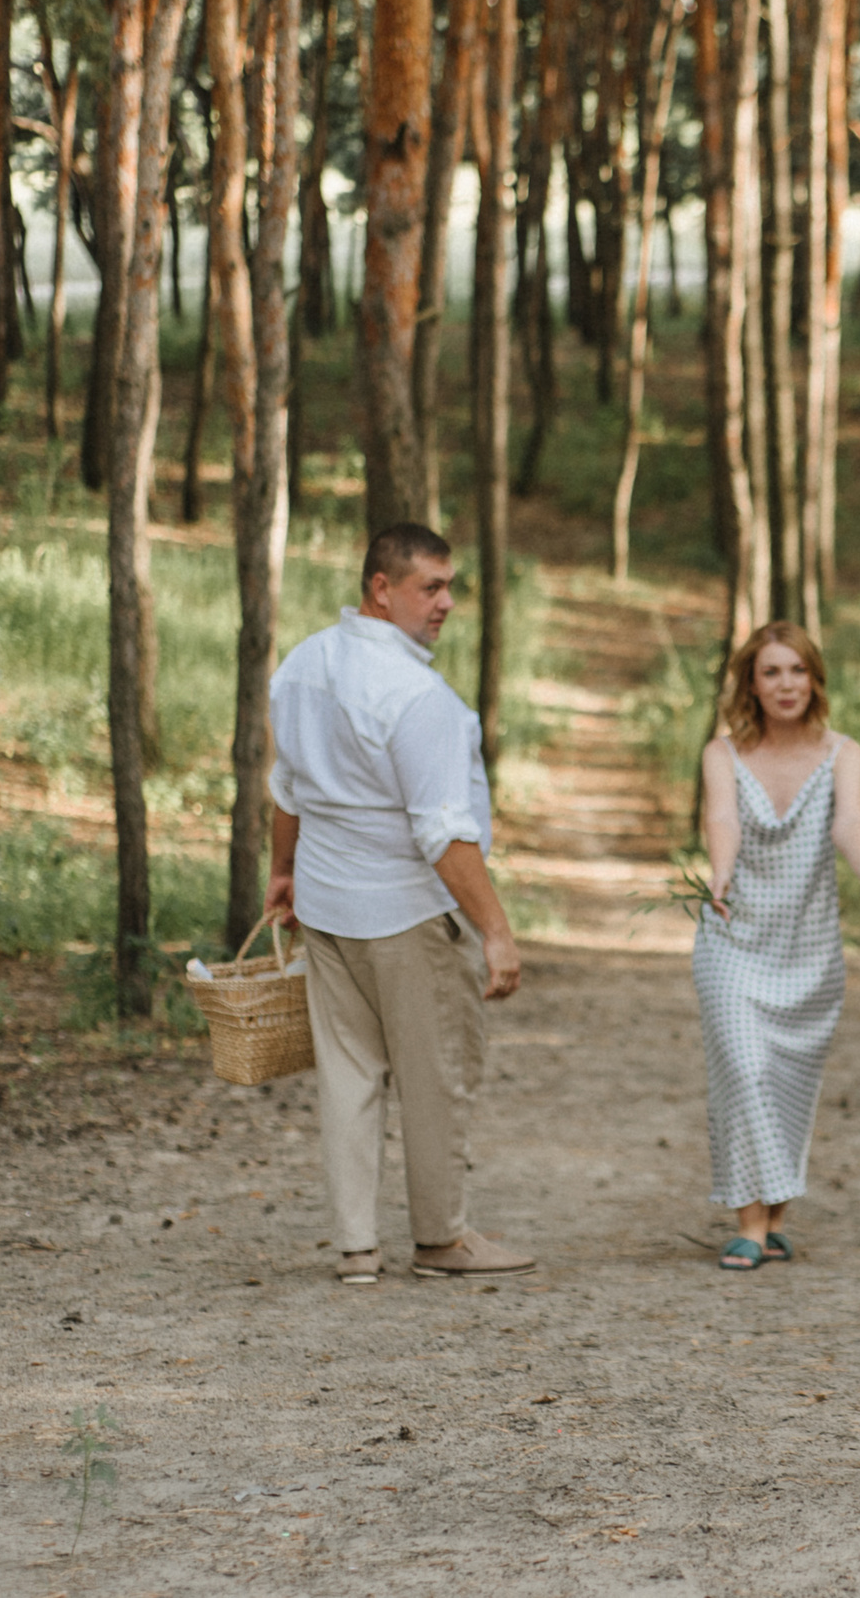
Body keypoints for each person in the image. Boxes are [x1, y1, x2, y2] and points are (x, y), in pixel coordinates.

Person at [265, 522, 535, 1287]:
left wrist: (282, 871)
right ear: (381, 588)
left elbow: (286, 787)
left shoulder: (304, 664)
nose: (446, 602)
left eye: (450, 586)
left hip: (325, 901)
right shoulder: (419, 697)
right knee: (436, 1075)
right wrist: (497, 931)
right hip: (407, 915)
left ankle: (356, 1248)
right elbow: (444, 834)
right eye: (430, 587)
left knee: (348, 1075)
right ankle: (441, 1237)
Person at [694, 623, 860, 1271]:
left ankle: (776, 1209)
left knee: (787, 1078)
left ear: (813, 679)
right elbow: (722, 816)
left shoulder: (844, 752)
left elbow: (850, 819)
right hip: (733, 935)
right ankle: (751, 1223)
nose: (785, 683)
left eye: (796, 670)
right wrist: (720, 868)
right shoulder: (722, 752)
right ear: (750, 685)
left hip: (807, 948)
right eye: (770, 672)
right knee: (742, 1068)